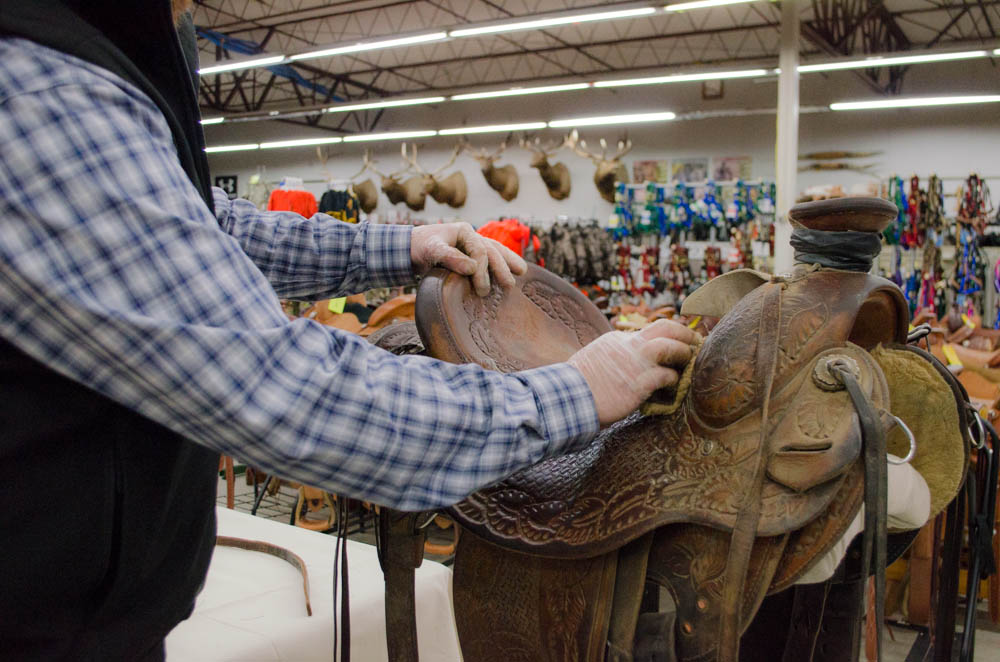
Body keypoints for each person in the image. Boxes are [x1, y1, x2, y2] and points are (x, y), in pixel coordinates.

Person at [0, 1, 697, 659]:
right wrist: (574, 391)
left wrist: (402, 247)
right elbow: (285, 391)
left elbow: (210, 222)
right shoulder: (40, 89)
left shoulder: (99, 52)